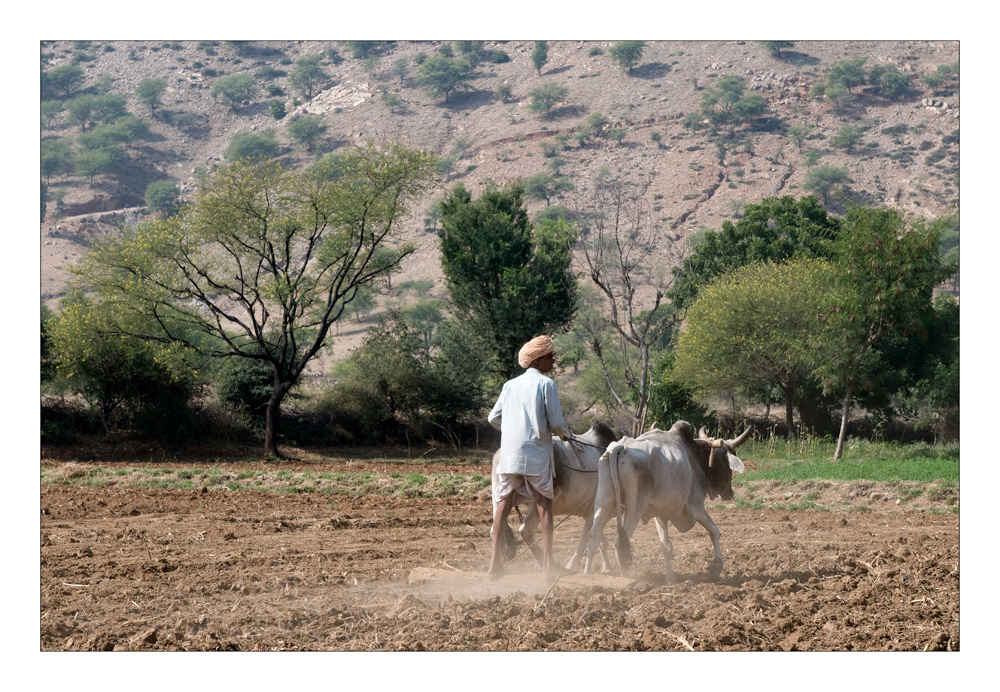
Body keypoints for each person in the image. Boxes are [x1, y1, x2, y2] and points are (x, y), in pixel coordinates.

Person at [487, 335, 573, 579]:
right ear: (539, 359)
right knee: (545, 506)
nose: (553, 361)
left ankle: (494, 567)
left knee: (502, 507)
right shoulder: (547, 385)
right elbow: (556, 422)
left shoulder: (509, 385)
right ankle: (547, 567)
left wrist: (513, 431)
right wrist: (565, 434)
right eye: (550, 356)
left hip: (510, 456)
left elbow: (493, 418)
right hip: (535, 454)